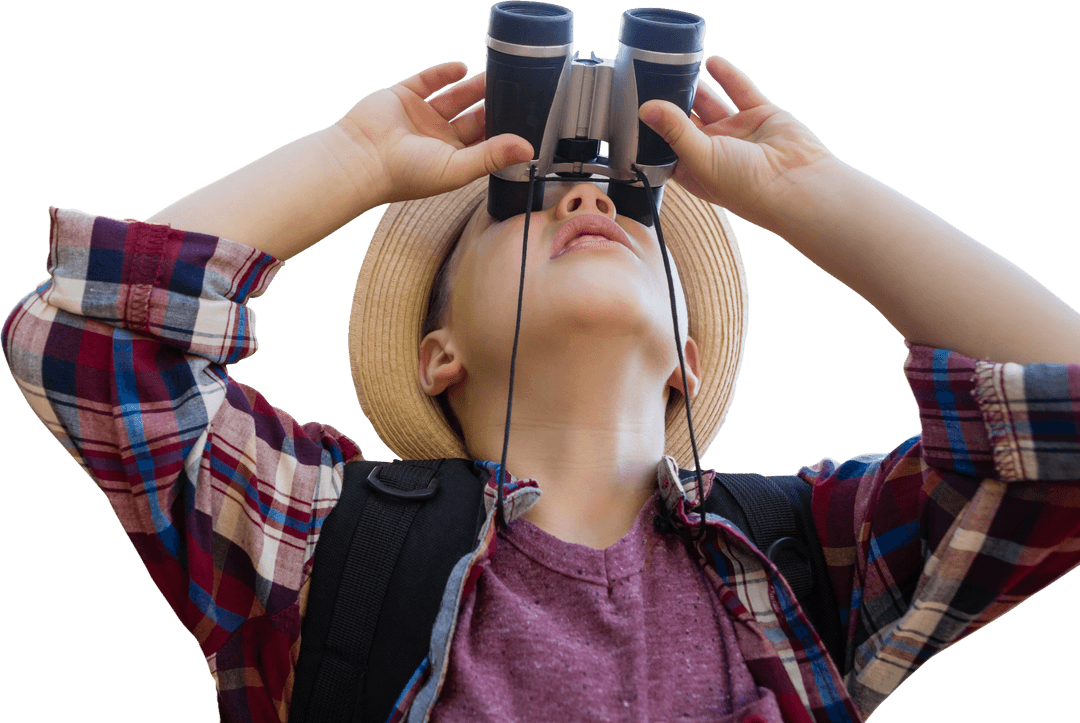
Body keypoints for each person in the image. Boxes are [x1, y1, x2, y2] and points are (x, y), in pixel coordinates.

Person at [4, 45, 1080, 723]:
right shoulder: (321, 538)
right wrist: (354, 160)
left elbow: (1064, 415)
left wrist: (814, 194)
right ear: (439, 355)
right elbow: (80, 340)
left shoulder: (805, 557)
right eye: (521, 206)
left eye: (629, 209)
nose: (587, 205)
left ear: (685, 360)